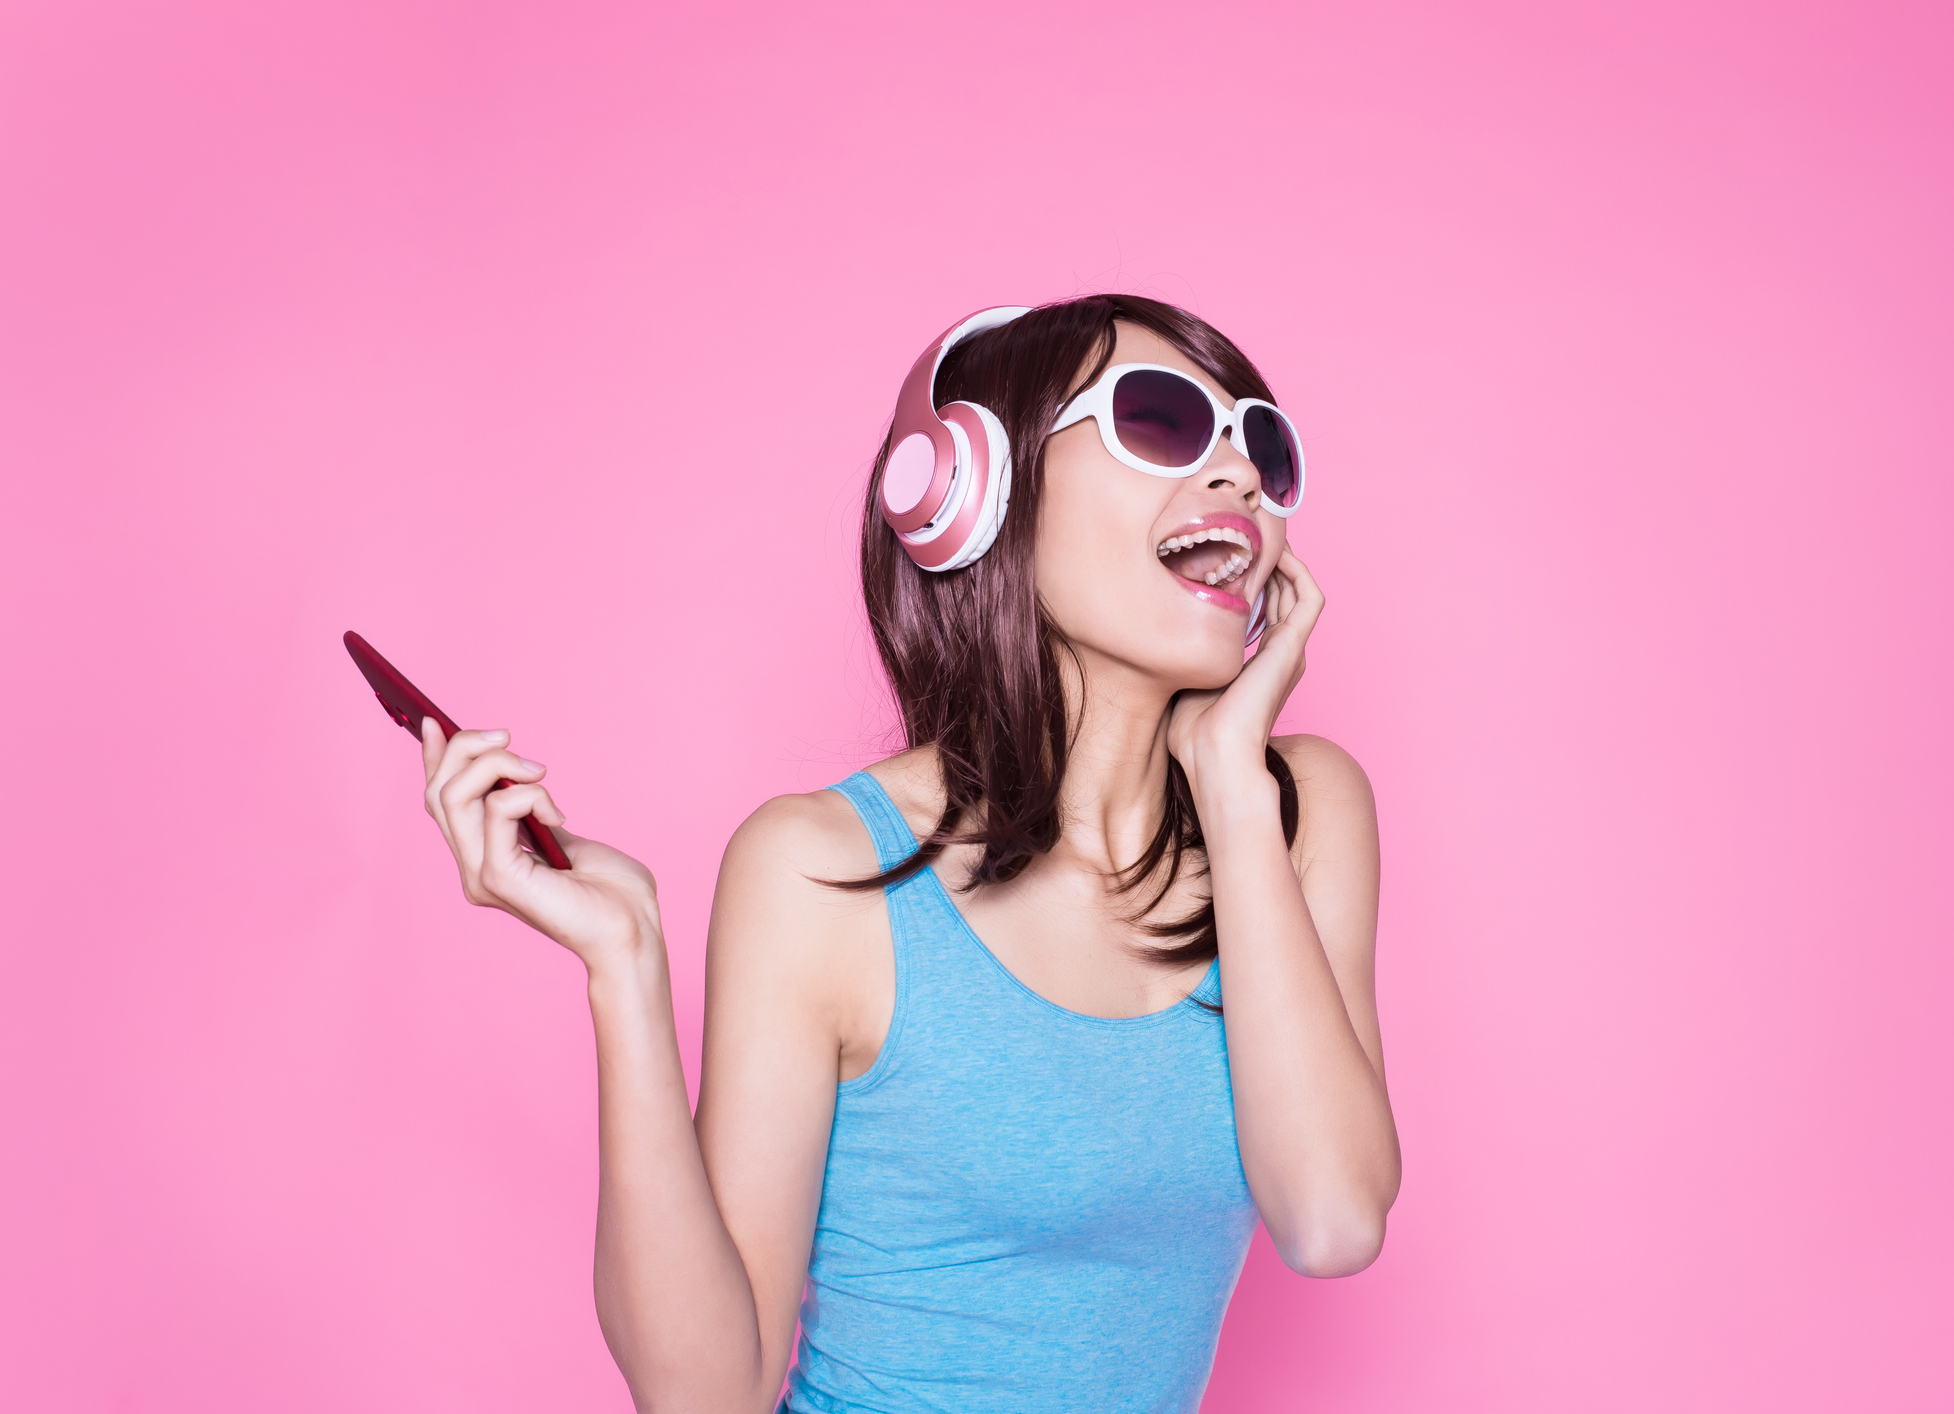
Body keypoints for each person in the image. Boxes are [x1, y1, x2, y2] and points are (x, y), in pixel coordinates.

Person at [415, 295, 1399, 1413]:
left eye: (1260, 445)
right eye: (1161, 422)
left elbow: (1331, 1220)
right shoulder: (819, 871)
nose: (1238, 478)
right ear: (974, 497)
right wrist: (624, 965)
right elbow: (705, 1397)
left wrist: (1227, 776)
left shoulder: (1295, 811)